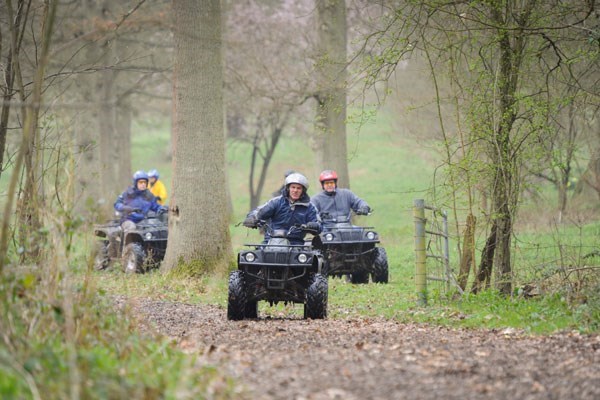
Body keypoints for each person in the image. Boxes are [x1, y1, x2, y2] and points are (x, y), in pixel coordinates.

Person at [243, 172, 321, 245]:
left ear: (303, 190)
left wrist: (314, 226)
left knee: (308, 258)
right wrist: (252, 217)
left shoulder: (310, 207)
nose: (295, 190)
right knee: (254, 257)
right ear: (288, 188)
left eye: (298, 188)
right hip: (270, 241)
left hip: (296, 243)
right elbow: (259, 211)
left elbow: (319, 225)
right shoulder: (276, 202)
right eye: (293, 187)